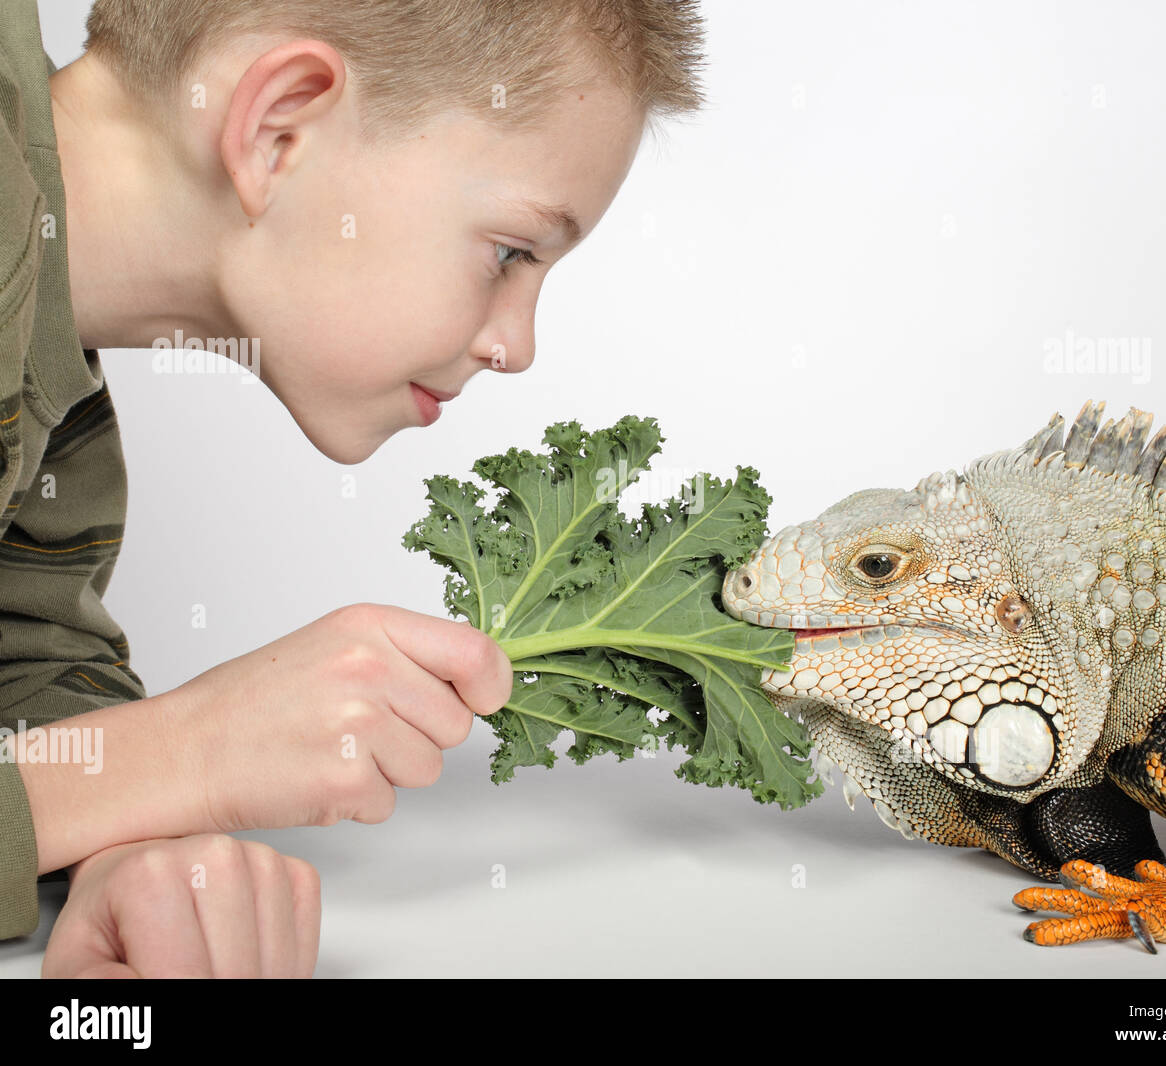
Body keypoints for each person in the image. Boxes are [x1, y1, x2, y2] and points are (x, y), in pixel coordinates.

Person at [0, 0, 705, 977]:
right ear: (279, 129)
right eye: (509, 252)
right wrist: (188, 754)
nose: (518, 346)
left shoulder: (55, 394)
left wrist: (124, 848)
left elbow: (25, 679)